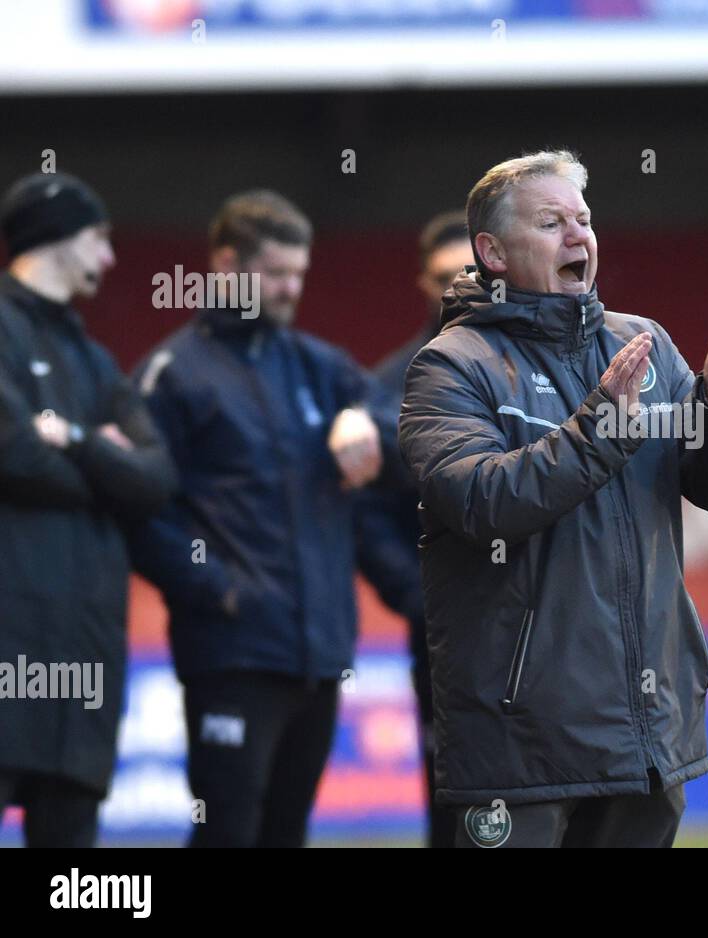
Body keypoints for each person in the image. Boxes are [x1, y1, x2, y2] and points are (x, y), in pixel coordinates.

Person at [399, 150, 708, 848]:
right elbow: (484, 503)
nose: (579, 236)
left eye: (584, 218)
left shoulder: (646, 345)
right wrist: (601, 425)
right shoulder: (452, 365)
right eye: (551, 222)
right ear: (493, 251)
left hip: (646, 734)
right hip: (521, 744)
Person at [130, 190, 400, 847]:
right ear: (226, 264)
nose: (289, 289)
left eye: (299, 274)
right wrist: (216, 591)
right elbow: (138, 507)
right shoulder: (173, 375)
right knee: (226, 832)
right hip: (232, 654)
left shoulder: (319, 365)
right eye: (276, 272)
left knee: (286, 834)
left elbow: (411, 419)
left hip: (318, 654)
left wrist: (368, 420)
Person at [0, 172, 178, 846]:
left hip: (86, 658)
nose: (109, 258)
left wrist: (73, 441)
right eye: (99, 239)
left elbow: (157, 478)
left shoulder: (95, 360)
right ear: (59, 236)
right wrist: (108, 467)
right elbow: (14, 454)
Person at [353, 210, 473, 847]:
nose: (456, 288)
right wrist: (418, 598)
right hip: (443, 637)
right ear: (423, 285)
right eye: (442, 277)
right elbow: (367, 519)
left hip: (547, 628)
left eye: (468, 274)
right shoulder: (386, 387)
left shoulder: (537, 360)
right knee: (450, 798)